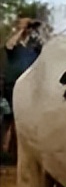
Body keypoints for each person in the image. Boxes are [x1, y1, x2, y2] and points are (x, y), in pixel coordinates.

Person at [3, 17, 47, 160]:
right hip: (12, 85)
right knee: (12, 119)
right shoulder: (14, 44)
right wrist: (21, 30)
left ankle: (20, 153)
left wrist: (38, 30)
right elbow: (8, 46)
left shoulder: (34, 46)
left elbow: (47, 49)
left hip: (30, 87)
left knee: (26, 119)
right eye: (25, 24)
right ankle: (9, 152)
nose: (28, 27)